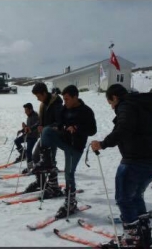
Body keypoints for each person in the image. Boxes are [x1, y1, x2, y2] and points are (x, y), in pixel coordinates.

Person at [91, 84, 152, 248]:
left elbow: (123, 128)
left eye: (110, 103)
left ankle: (131, 240)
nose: (112, 107)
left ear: (115, 98)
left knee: (123, 199)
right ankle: (143, 237)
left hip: (135, 161)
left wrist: (102, 144)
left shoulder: (126, 106)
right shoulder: (142, 105)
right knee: (136, 197)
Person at [40, 85, 96, 218]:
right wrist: (58, 127)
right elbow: (60, 123)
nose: (65, 102)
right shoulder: (65, 108)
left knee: (69, 174)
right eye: (64, 99)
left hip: (75, 147)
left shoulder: (86, 111)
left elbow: (93, 130)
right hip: (65, 141)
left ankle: (70, 203)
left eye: (67, 99)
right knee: (47, 131)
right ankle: (46, 161)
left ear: (75, 97)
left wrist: (77, 128)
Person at [24, 82, 63, 199]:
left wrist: (47, 127)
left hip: (53, 136)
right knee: (36, 157)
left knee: (50, 161)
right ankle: (41, 182)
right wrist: (32, 128)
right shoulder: (44, 104)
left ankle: (54, 187)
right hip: (44, 136)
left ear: (44, 93)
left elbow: (60, 123)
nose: (37, 99)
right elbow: (40, 122)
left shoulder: (56, 104)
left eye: (38, 96)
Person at [13, 103, 39, 172]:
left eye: (26, 110)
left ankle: (30, 168)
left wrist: (28, 129)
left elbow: (36, 126)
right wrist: (22, 130)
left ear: (31, 110)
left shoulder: (35, 116)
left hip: (33, 137)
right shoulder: (29, 116)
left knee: (29, 151)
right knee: (16, 141)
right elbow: (28, 127)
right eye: (25, 110)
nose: (25, 112)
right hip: (27, 135)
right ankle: (23, 154)